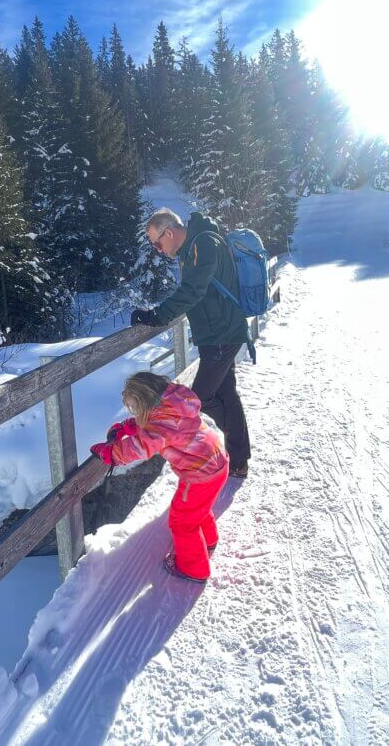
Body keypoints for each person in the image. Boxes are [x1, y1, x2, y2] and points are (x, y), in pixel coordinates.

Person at [130, 208, 253, 479]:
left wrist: (157, 315)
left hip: (222, 334)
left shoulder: (204, 243)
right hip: (217, 335)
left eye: (157, 243)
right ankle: (238, 459)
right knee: (226, 395)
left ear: (169, 232)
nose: (158, 250)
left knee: (198, 399)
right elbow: (199, 292)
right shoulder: (193, 249)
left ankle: (214, 461)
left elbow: (193, 291)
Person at [90, 371, 229, 583]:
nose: (136, 412)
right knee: (197, 508)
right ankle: (208, 541)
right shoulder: (174, 403)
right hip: (216, 461)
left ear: (146, 403)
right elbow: (160, 422)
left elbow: (139, 447)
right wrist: (131, 426)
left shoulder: (160, 425)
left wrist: (111, 453)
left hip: (200, 473)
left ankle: (194, 569)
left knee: (182, 520)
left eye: (136, 408)